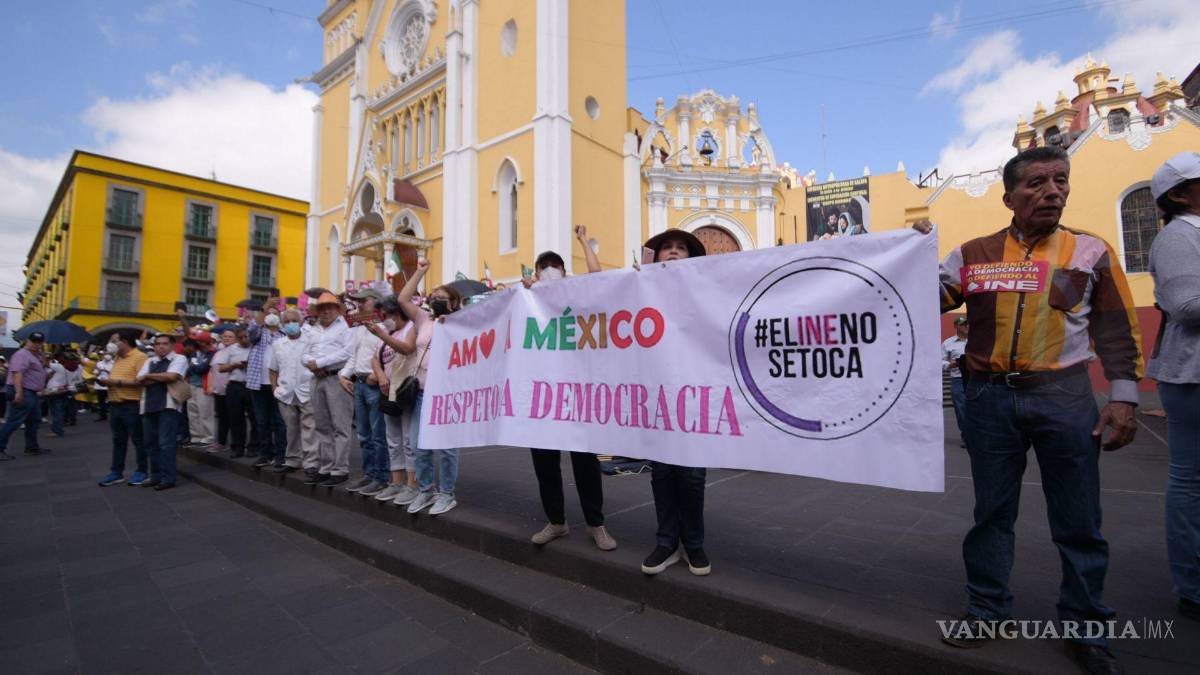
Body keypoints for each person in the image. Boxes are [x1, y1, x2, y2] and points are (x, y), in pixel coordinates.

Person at [914, 146, 1142, 674]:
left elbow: (1114, 326)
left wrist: (1125, 395)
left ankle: (1086, 628)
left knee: (1079, 519)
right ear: (1009, 197)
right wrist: (914, 256)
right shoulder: (973, 253)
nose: (1052, 191)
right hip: (988, 398)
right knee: (991, 514)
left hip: (1064, 396)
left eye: (1060, 180)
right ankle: (987, 610)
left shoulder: (1091, 251)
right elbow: (927, 298)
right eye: (1037, 183)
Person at [523, 225, 617, 551]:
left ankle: (596, 525)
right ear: (535, 273)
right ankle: (556, 522)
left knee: (585, 463)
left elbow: (597, 275)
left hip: (577, 396)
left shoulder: (579, 293)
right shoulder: (528, 299)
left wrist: (581, 240)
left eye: (555, 268)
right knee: (545, 465)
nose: (550, 274)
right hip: (542, 398)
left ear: (564, 271)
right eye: (543, 270)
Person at [635, 229, 712, 577]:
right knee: (662, 473)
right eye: (667, 247)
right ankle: (666, 542)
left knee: (693, 476)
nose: (674, 252)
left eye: (682, 248)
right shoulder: (636, 288)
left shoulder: (709, 289)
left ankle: (693, 544)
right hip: (656, 395)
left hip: (696, 394)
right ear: (656, 255)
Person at [1147, 151, 1200, 622]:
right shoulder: (1179, 238)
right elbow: (1187, 306)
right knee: (1191, 479)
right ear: (1180, 194)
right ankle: (1193, 584)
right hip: (1192, 373)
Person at [396, 259, 462, 515]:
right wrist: (420, 272)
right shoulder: (423, 319)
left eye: (442, 298)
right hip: (422, 392)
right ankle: (425, 490)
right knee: (418, 444)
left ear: (454, 303)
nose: (435, 300)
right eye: (433, 296)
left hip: (448, 394)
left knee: (447, 448)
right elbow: (403, 299)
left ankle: (447, 493)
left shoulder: (465, 321)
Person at [367, 296, 419, 503]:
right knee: (393, 439)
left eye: (385, 315)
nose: (383, 319)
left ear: (396, 313)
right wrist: (380, 376)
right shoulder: (388, 333)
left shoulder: (411, 328)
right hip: (387, 390)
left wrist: (381, 334)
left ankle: (412, 484)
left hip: (405, 389)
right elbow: (374, 358)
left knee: (408, 439)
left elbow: (407, 349)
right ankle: (396, 482)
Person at [339, 288, 389, 495]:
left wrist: (376, 376)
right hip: (359, 383)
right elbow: (355, 354)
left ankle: (381, 476)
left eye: (363, 301)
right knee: (364, 434)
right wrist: (343, 375)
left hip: (373, 384)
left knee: (378, 435)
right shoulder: (359, 328)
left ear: (376, 302)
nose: (359, 304)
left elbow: (389, 355)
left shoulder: (385, 327)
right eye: (357, 301)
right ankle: (370, 474)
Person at [303, 291, 355, 487]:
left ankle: (340, 468)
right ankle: (326, 466)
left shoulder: (346, 328)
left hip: (336, 377)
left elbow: (348, 352)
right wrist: (313, 365)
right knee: (322, 425)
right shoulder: (313, 330)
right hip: (316, 378)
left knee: (340, 425)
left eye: (329, 307)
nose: (325, 311)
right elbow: (304, 354)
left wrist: (320, 363)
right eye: (322, 308)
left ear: (337, 309)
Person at [137, 334, 188, 491]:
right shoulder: (150, 361)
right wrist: (158, 377)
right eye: (158, 344)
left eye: (165, 344)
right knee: (151, 444)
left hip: (168, 405)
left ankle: (168, 477)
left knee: (166, 444)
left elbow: (172, 376)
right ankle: (156, 475)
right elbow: (139, 378)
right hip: (148, 405)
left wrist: (149, 377)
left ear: (172, 345)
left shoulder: (179, 359)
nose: (161, 346)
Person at [97, 333, 149, 485]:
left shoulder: (139, 357)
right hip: (115, 404)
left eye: (114, 341)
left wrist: (116, 382)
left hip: (131, 404)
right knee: (118, 440)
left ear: (125, 342)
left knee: (138, 440)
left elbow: (142, 381)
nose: (111, 344)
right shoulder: (117, 357)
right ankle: (116, 472)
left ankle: (141, 471)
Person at [269, 308, 316, 475]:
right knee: (291, 428)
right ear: (282, 324)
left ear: (301, 322)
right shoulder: (277, 344)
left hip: (306, 390)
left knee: (310, 428)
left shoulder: (311, 340)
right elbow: (273, 369)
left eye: (294, 320)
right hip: (286, 392)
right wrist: (275, 388)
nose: (291, 324)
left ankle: (311, 463)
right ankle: (292, 460)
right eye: (287, 321)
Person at [247, 304, 288, 469]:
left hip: (277, 384)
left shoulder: (284, 334)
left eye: (275, 313)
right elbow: (251, 330)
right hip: (257, 383)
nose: (271, 316)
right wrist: (263, 311)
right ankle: (265, 453)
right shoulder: (258, 332)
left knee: (279, 421)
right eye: (268, 313)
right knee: (261, 421)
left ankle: (280, 454)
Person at [0, 332, 50, 460]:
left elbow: (40, 370)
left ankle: (32, 447)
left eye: (39, 342)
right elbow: (17, 373)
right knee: (14, 421)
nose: (36, 344)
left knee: (34, 420)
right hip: (23, 390)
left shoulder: (36, 355)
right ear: (28, 340)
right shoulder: (22, 354)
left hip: (31, 392)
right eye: (34, 341)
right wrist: (18, 392)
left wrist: (43, 358)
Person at [218, 329, 252, 458]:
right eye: (241, 337)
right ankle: (238, 446)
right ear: (237, 338)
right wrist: (235, 365)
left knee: (255, 418)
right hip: (235, 385)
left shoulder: (255, 347)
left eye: (246, 336)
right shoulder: (231, 349)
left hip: (251, 385)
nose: (244, 339)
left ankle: (254, 446)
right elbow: (221, 368)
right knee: (235, 418)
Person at [182, 335, 215, 448]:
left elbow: (203, 368)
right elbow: (190, 368)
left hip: (204, 386)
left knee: (205, 413)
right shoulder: (195, 354)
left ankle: (208, 437)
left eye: (201, 342)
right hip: (192, 384)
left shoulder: (212, 353)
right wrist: (196, 366)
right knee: (193, 413)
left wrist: (194, 366)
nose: (199, 344)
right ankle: (196, 437)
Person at [942, 316, 969, 449]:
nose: (966, 326)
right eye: (963, 324)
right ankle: (967, 436)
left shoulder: (977, 340)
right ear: (956, 326)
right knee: (961, 409)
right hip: (957, 380)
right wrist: (949, 365)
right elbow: (939, 361)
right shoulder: (948, 343)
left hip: (975, 379)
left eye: (967, 324)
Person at [208, 330, 237, 451]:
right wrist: (210, 385)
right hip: (218, 389)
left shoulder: (236, 351)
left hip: (231, 388)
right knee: (222, 416)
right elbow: (211, 370)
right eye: (225, 336)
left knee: (234, 417)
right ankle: (221, 442)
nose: (227, 338)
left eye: (230, 336)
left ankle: (236, 444)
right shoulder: (218, 352)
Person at [43, 353, 71, 437]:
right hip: (60, 390)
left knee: (56, 411)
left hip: (55, 391)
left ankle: (57, 430)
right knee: (58, 411)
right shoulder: (61, 368)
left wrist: (45, 357)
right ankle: (58, 429)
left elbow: (45, 364)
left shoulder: (56, 366)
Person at [93, 346, 113, 421]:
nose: (107, 355)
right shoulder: (99, 363)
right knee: (101, 402)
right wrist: (99, 371)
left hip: (109, 384)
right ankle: (102, 415)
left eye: (108, 354)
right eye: (105, 354)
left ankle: (113, 416)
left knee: (111, 401)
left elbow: (115, 373)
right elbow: (95, 373)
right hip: (100, 385)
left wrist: (107, 371)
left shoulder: (114, 363)